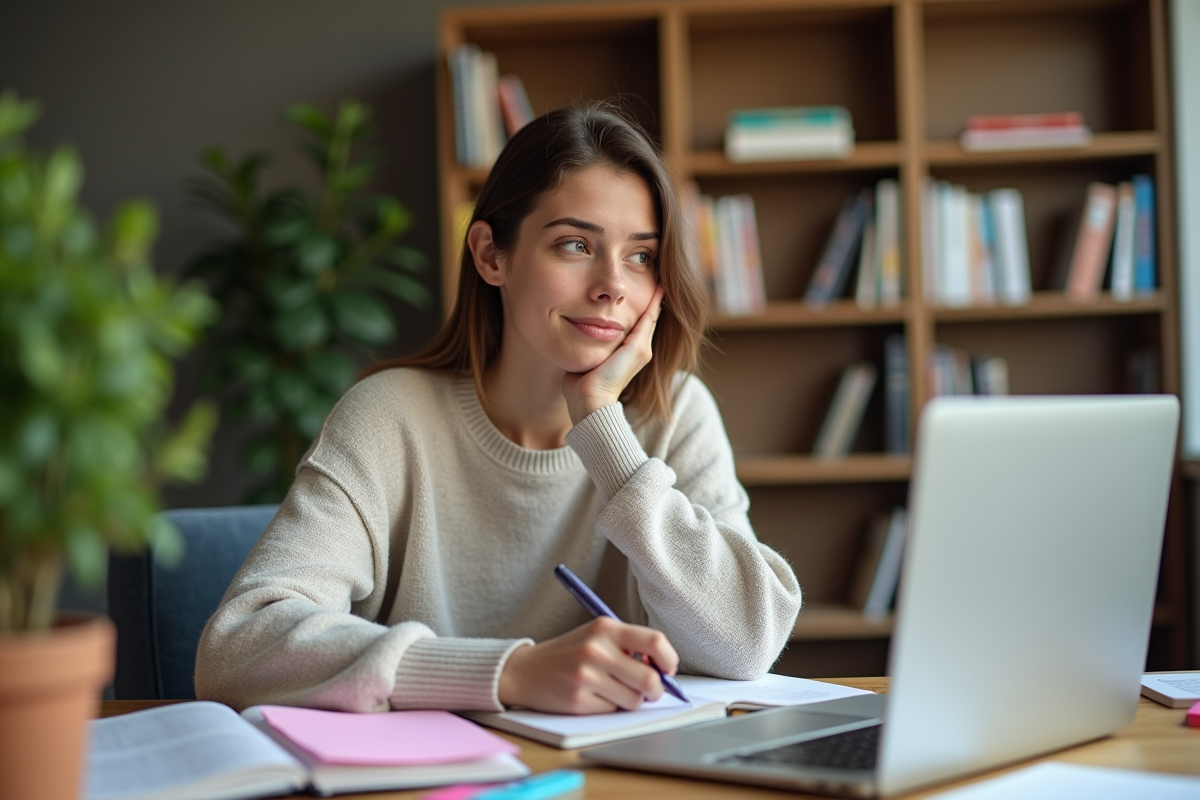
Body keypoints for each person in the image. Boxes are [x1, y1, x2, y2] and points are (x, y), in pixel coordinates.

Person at [195, 103, 802, 715]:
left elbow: (749, 643)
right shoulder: (388, 418)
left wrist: (602, 430)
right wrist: (506, 673)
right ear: (491, 255)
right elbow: (237, 648)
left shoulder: (676, 412)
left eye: (642, 256)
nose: (613, 285)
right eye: (574, 244)